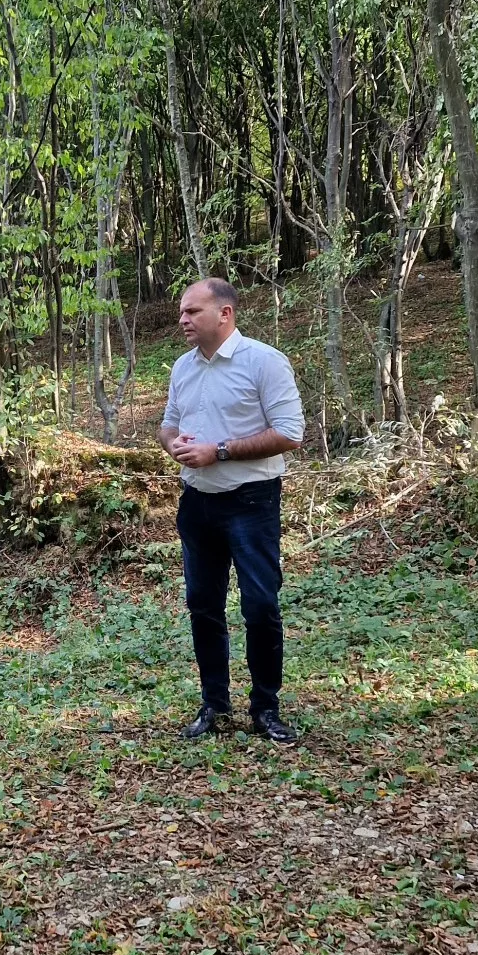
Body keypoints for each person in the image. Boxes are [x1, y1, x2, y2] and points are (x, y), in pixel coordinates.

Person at [160, 280, 305, 743]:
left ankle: (265, 708)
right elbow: (167, 425)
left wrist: (218, 451)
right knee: (203, 607)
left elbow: (289, 432)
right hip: (196, 504)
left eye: (192, 311)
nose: (182, 319)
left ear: (224, 314)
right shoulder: (183, 368)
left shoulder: (264, 362)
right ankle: (215, 705)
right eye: (181, 312)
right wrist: (175, 445)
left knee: (261, 606)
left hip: (250, 503)